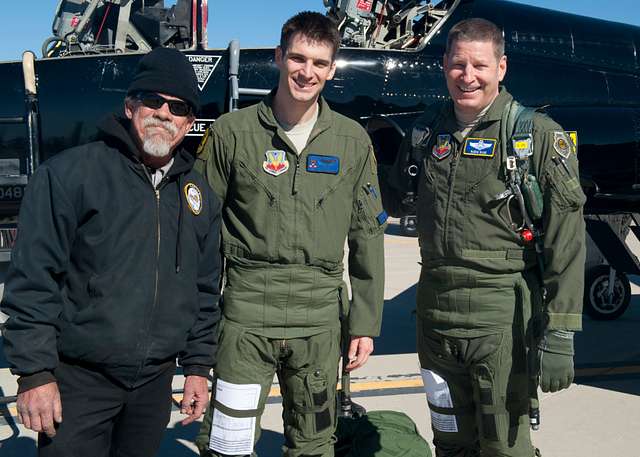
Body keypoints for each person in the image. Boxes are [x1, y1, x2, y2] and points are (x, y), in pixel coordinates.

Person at [1, 47, 223, 457]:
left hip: (153, 385)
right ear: (129, 106)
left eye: (178, 107)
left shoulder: (199, 196)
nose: (164, 113)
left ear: (190, 122)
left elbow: (205, 290)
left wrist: (196, 369)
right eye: (152, 101)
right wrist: (34, 374)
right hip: (79, 382)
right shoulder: (71, 176)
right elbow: (33, 280)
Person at [382, 18, 586, 457]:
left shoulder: (536, 138)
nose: (468, 76)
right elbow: (391, 197)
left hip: (501, 320)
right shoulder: (425, 134)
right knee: (450, 442)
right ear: (444, 65)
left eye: (480, 65)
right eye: (458, 64)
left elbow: (567, 243)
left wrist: (563, 333)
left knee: (504, 448)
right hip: (435, 320)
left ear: (501, 67)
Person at [194, 11, 386, 457]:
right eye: (298, 58)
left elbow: (368, 236)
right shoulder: (232, 134)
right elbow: (199, 233)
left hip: (319, 323)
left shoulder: (352, 142)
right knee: (227, 445)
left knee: (315, 446)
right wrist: (195, 330)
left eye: (319, 63)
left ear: (332, 69)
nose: (307, 72)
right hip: (245, 318)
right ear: (279, 57)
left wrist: (365, 322)